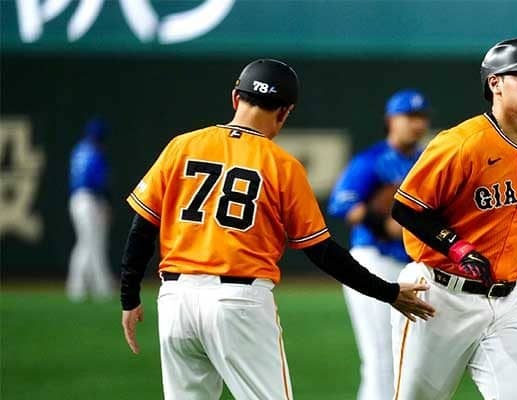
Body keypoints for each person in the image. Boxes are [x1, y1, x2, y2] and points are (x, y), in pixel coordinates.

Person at [119, 58, 435, 399]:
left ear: (235, 98)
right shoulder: (282, 165)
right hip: (239, 301)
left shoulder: (182, 146)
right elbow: (323, 252)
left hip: (175, 300)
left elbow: (142, 229)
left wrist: (129, 296)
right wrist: (388, 292)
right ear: (285, 112)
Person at [388, 38, 517, 400]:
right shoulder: (461, 143)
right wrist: (457, 247)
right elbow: (406, 208)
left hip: (509, 303)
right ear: (495, 83)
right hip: (438, 296)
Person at [327, 89, 430, 400]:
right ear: (390, 120)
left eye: (421, 117)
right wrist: (383, 224)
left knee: (408, 359)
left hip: (411, 267)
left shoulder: (426, 162)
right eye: (409, 116)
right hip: (374, 262)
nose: (416, 123)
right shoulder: (371, 161)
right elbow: (342, 204)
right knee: (381, 359)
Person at [67, 117, 113, 302]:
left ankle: (77, 286)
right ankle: (100, 287)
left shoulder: (78, 150)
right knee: (93, 243)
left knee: (85, 243)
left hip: (76, 199)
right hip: (90, 199)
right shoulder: (95, 152)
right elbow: (98, 181)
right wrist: (105, 203)